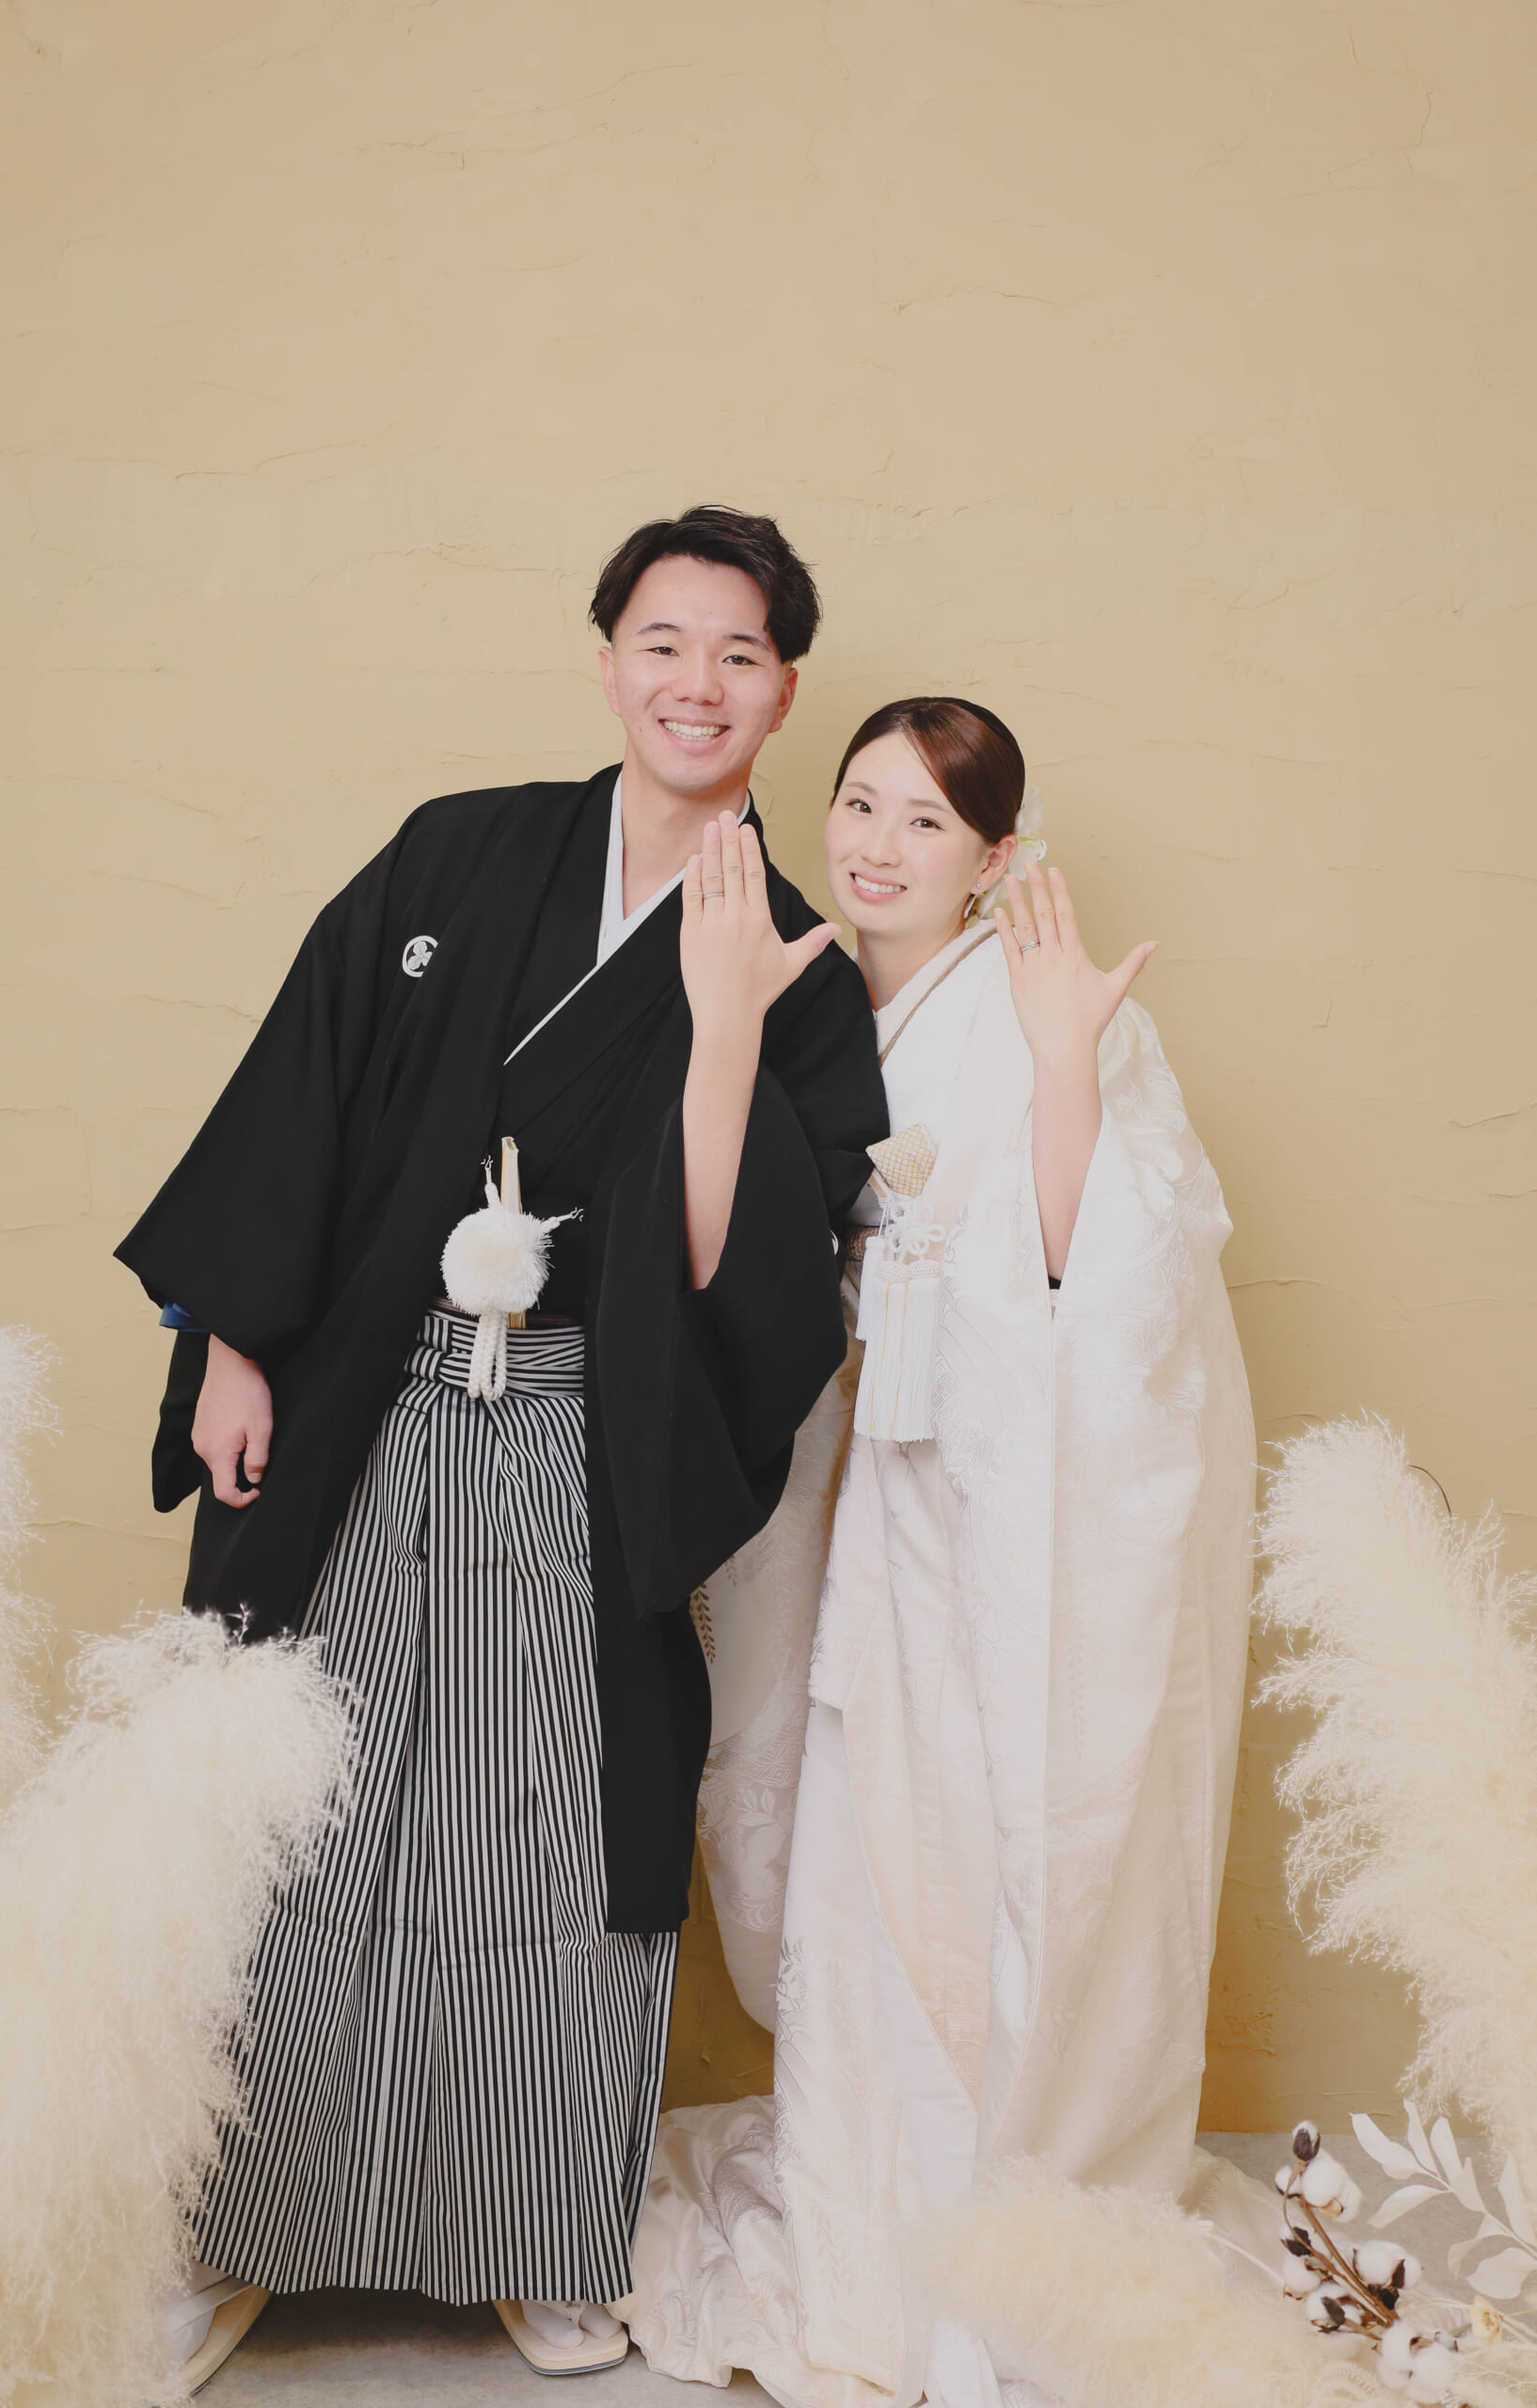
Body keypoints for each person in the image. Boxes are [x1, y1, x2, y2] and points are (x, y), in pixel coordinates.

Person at [115, 506, 886, 2381]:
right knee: (300, 1806)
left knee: (544, 1830)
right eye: (662, 641)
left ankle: (533, 2232)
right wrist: (231, 1340)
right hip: (358, 1399)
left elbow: (755, 1280)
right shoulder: (458, 851)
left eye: (737, 654)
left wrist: (722, 1030)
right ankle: (234, 2231)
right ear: (609, 657)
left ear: (784, 691)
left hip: (586, 1429)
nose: (695, 682)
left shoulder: (795, 955)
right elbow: (302, 1083)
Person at [622, 698, 1256, 2408]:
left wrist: (1063, 1066)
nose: (878, 845)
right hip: (855, 1509)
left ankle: (999, 2222)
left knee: (994, 1844)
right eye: (859, 803)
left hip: (1003, 1511)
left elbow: (1104, 1279)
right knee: (859, 1858)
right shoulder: (807, 995)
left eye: (926, 821)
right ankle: (868, 2214)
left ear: (994, 858)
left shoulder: (1054, 1005)